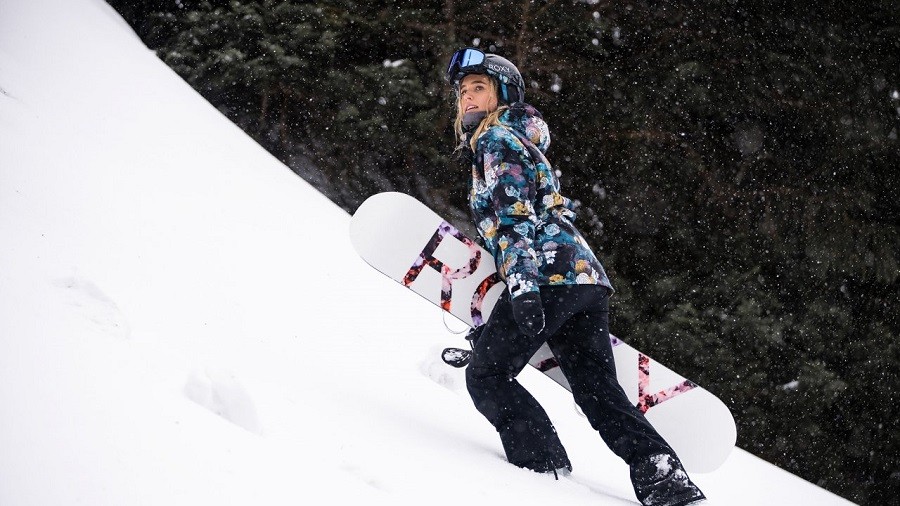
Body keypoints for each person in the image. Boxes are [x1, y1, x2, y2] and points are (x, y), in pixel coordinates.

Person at [444, 47, 706, 506]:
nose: (467, 98)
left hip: (545, 276)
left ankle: (542, 473)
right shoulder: (523, 140)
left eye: (478, 88)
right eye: (463, 91)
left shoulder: (496, 140)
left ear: (501, 95)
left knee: (487, 376)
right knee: (598, 392)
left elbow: (514, 217)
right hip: (584, 279)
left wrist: (523, 287)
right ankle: (667, 482)